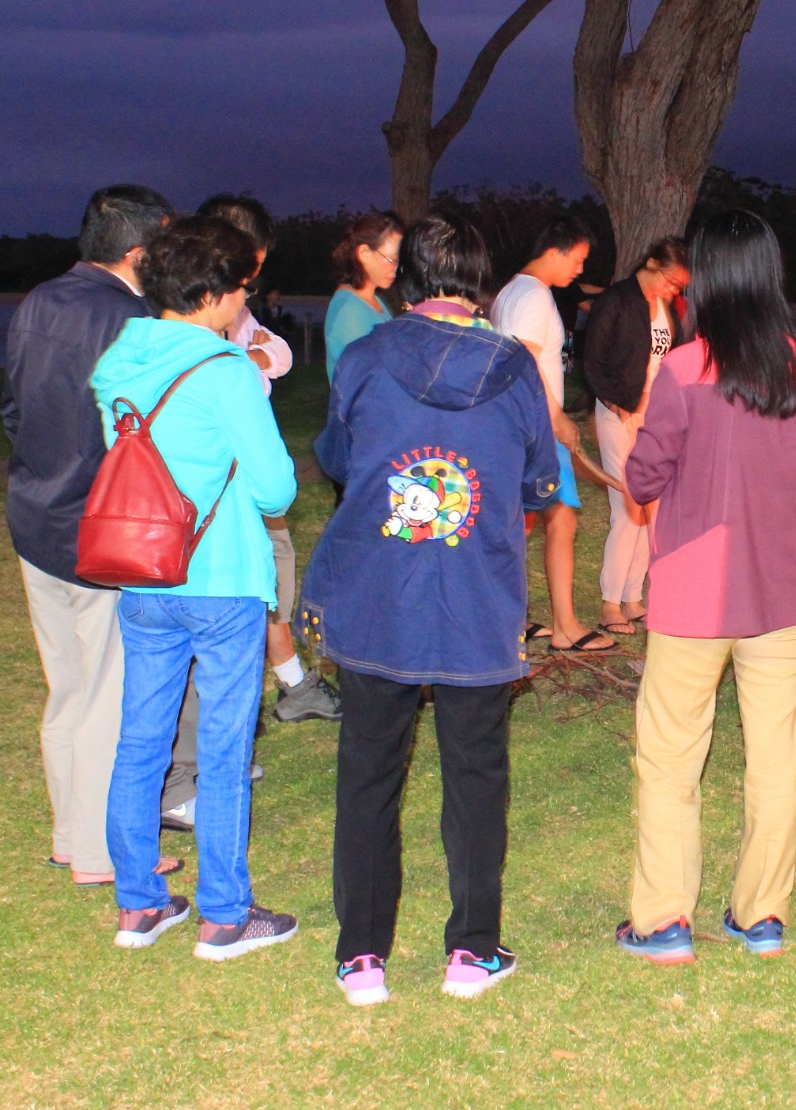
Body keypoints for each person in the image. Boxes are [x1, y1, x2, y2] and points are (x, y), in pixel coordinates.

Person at [298, 213, 560, 1006]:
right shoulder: (514, 367)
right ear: (476, 280)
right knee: (475, 775)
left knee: (369, 772)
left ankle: (361, 956)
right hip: (475, 597)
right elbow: (539, 482)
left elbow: (338, 457)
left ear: (410, 275)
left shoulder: (366, 356)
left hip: (380, 597)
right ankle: (472, 950)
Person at [614, 209, 796, 965]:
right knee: (775, 754)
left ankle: (663, 919)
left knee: (671, 753)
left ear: (706, 277)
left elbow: (644, 475)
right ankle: (762, 913)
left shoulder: (683, 369)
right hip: (790, 580)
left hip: (699, 590)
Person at [90, 216, 301, 959]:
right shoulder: (223, 369)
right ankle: (223, 913)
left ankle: (139, 902)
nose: (245, 302)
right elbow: (276, 487)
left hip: (143, 573)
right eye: (242, 289)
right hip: (221, 577)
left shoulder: (121, 358)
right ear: (212, 292)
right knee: (222, 741)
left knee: (140, 736)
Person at [2, 184, 180, 888]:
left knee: (68, 689)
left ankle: (72, 837)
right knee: (107, 692)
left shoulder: (36, 300)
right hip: (100, 530)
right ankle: (104, 852)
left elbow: (13, 408)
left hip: (35, 516)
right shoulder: (132, 320)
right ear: (138, 253)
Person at [194, 195, 341, 726]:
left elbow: (279, 351)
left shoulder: (233, 310)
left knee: (272, 573)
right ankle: (235, 715)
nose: (251, 286)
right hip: (224, 482)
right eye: (248, 273)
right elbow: (241, 374)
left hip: (250, 475)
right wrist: (245, 359)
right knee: (244, 585)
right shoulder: (193, 316)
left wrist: (255, 356)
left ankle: (289, 687)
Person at [490, 214, 617, 654]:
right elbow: (523, 362)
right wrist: (558, 418)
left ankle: (513, 619)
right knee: (561, 518)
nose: (580, 270)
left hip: (515, 425)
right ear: (556, 250)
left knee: (518, 524)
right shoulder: (534, 295)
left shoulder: (511, 290)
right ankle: (565, 626)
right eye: (578, 260)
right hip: (536, 426)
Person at [579, 236, 692, 637]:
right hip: (619, 414)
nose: (673, 290)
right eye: (671, 281)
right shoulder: (617, 300)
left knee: (651, 509)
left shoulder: (666, 308)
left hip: (655, 417)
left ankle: (633, 597)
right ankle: (610, 602)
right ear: (650, 263)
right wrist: (613, 403)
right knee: (627, 507)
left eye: (680, 286)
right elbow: (590, 360)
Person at [324, 211, 402, 383]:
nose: (395, 268)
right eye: (391, 260)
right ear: (365, 253)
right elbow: (371, 374)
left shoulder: (374, 300)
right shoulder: (349, 309)